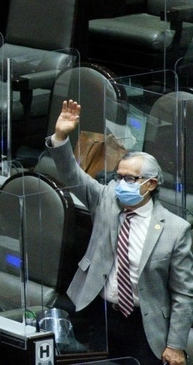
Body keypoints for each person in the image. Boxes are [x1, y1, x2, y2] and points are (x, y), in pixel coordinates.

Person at [48, 100, 193, 365]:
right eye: (118, 176)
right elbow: (71, 174)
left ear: (150, 184)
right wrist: (61, 136)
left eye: (129, 179)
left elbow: (184, 294)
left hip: (145, 325)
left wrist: (175, 344)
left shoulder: (176, 229)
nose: (120, 184)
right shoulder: (105, 199)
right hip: (98, 313)